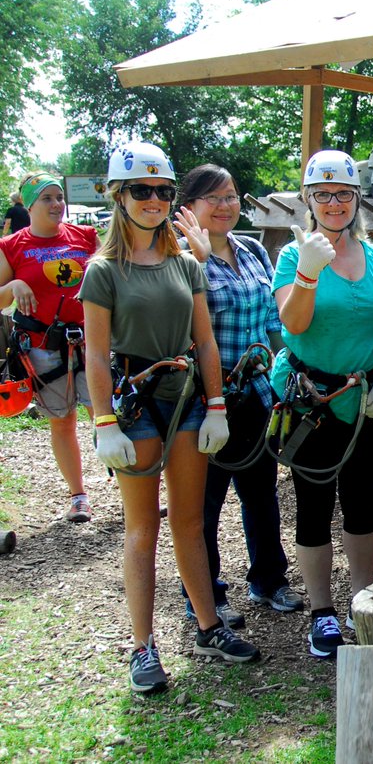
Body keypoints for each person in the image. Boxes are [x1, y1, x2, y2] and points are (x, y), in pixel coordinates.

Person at [80, 141, 260, 695]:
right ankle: (142, 645)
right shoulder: (103, 271)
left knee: (189, 521)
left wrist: (216, 405)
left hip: (184, 398)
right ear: (120, 196)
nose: (154, 200)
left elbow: (205, 341)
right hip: (136, 402)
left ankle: (208, 625)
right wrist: (104, 421)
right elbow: (95, 353)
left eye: (162, 190)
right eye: (142, 190)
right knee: (143, 527)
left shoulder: (186, 264)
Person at [271, 149, 373, 658]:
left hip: (364, 400)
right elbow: (294, 323)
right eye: (322, 194)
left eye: (343, 193)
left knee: (362, 504)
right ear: (308, 199)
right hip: (312, 402)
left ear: (356, 198)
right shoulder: (293, 255)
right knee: (313, 504)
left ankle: (362, 601)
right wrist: (308, 272)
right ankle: (321, 611)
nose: (333, 203)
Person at [172, 164, 303, 627]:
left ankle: (268, 579)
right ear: (189, 207)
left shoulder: (252, 250)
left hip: (256, 391)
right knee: (204, 502)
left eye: (230, 196)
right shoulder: (178, 256)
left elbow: (271, 321)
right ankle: (204, 593)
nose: (225, 206)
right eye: (213, 198)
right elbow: (180, 322)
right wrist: (198, 258)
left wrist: (289, 368)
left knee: (261, 492)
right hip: (205, 395)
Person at [0, 171, 97, 521]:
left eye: (59, 197)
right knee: (62, 422)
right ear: (29, 205)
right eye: (47, 198)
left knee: (107, 417)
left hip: (91, 341)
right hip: (43, 347)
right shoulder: (11, 246)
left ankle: (133, 489)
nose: (57, 204)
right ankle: (78, 497)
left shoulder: (85, 236)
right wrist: (13, 286)